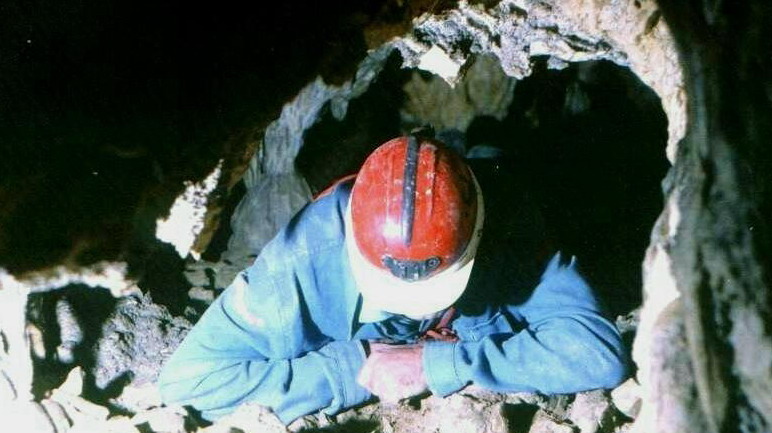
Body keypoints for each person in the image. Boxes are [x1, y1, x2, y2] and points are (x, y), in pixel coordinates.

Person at [158, 134, 628, 424]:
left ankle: (484, 146)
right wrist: (354, 366)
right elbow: (190, 382)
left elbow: (596, 352)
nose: (416, 306)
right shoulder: (300, 264)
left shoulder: (510, 223)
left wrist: (434, 364)